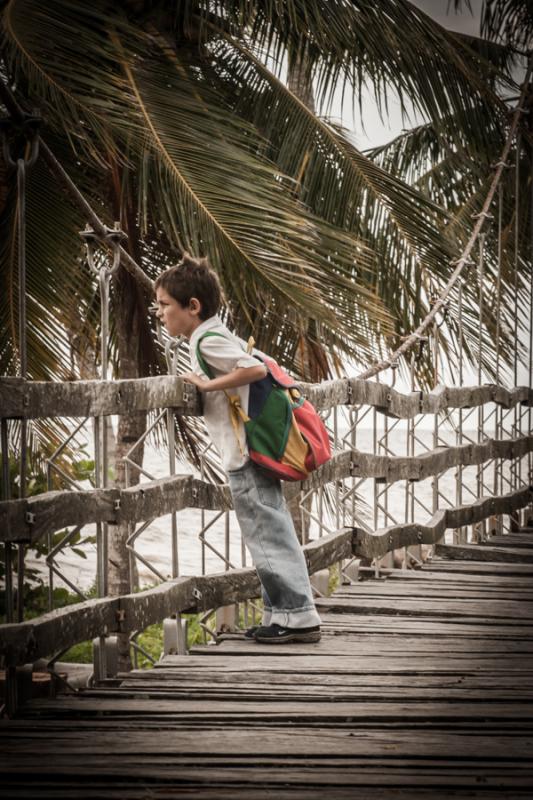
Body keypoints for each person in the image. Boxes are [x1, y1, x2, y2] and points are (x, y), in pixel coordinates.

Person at [155, 253, 321, 643]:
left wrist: (205, 385)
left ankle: (297, 617)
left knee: (266, 532)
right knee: (271, 529)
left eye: (164, 305)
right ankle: (284, 613)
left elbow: (254, 369)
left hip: (245, 454)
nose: (159, 313)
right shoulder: (211, 334)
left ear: (192, 307)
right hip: (251, 451)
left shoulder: (208, 339)